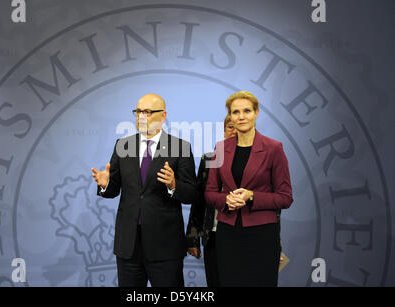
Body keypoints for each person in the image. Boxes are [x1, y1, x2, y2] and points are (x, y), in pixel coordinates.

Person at [91, 93, 197, 287]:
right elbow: (113, 190)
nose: (141, 117)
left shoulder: (180, 147)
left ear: (163, 115)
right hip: (129, 246)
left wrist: (174, 185)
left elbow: (191, 194)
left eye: (147, 112)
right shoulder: (123, 145)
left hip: (164, 246)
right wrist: (105, 184)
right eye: (138, 111)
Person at [205, 91, 293, 287]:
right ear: (231, 116)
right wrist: (226, 200)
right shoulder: (219, 148)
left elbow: (285, 198)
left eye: (246, 111)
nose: (241, 116)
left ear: (256, 113)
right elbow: (209, 193)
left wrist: (251, 196)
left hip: (262, 234)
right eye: (236, 112)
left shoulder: (274, 148)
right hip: (227, 234)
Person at [185, 114, 236, 287]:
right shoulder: (209, 159)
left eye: (239, 127)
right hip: (214, 235)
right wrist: (192, 237)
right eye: (230, 127)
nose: (234, 131)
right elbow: (199, 200)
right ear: (223, 130)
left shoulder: (261, 158)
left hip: (246, 235)